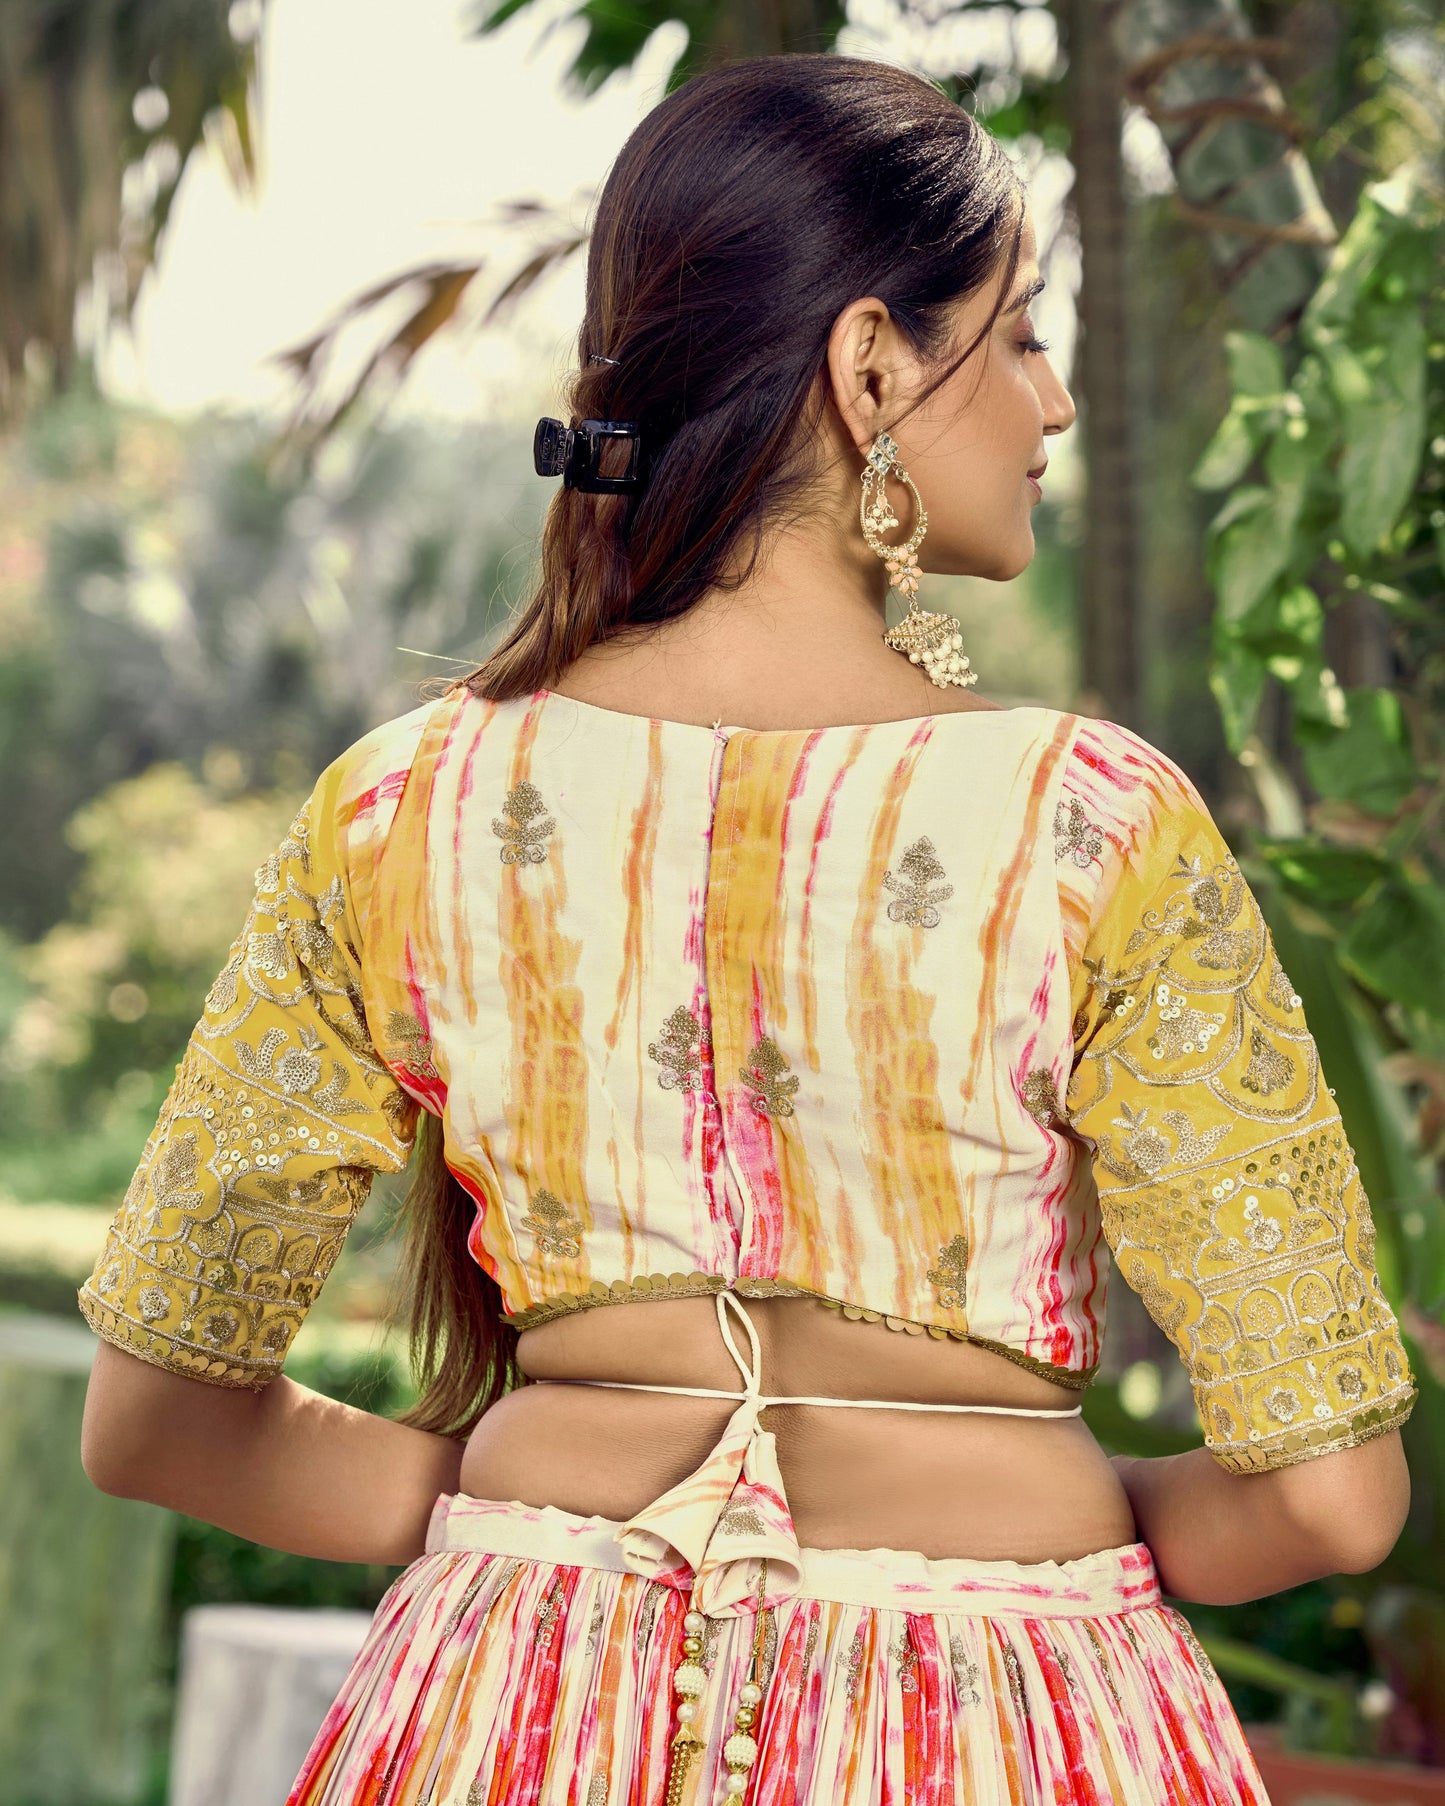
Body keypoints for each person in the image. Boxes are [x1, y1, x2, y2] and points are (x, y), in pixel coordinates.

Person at [76, 53, 1414, 1806]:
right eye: (1019, 332)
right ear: (870, 366)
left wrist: (548, 1488)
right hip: (1003, 1718)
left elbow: (158, 1420)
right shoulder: (1091, 825)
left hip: (503, 1713)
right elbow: (1328, 1499)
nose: (1055, 400)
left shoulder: (397, 810)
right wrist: (1053, 1501)